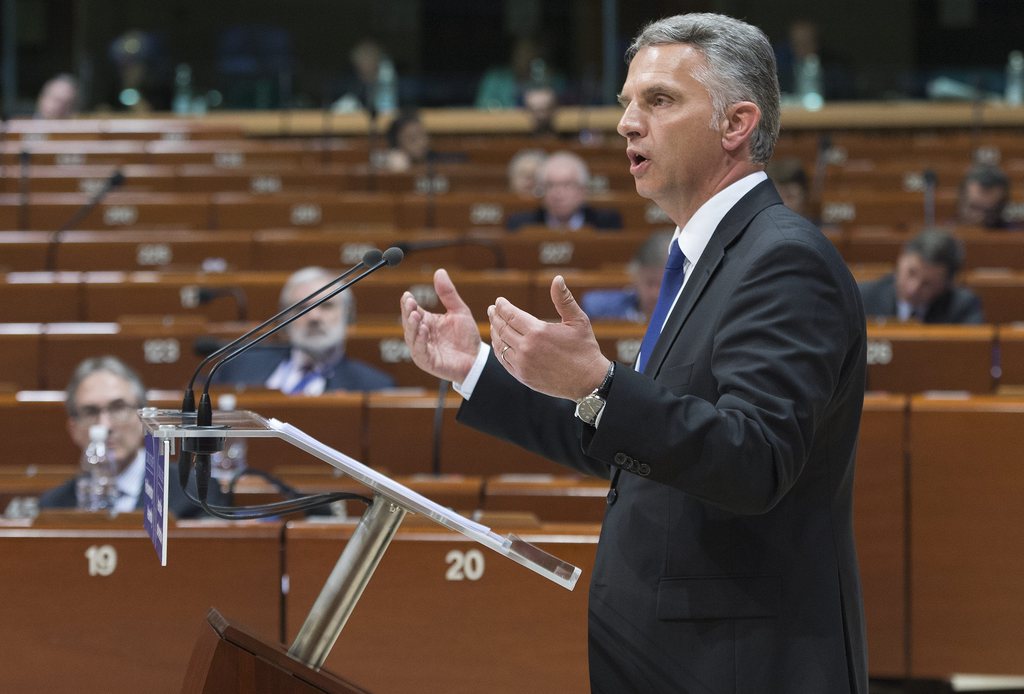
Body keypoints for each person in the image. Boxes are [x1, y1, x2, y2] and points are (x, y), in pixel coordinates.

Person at [401, 12, 867, 693]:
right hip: (672, 649)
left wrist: (601, 383)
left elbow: (756, 459)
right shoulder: (704, 255)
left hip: (741, 658)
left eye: (659, 100)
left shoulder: (781, 259)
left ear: (737, 124)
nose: (627, 122)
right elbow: (635, 450)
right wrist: (475, 368)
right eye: (627, 102)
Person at [38, 356, 223, 518]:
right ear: (74, 429)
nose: (105, 426)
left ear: (143, 419)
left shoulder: (194, 493)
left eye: (118, 408)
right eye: (90, 412)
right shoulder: (52, 506)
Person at [211, 267, 394, 394]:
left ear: (348, 316)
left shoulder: (374, 386)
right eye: (301, 308)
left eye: (327, 306)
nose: (314, 317)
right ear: (285, 318)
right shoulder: (238, 366)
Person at [859, 228, 983, 323]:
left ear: (946, 284)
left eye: (927, 284)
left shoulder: (963, 308)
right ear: (900, 259)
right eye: (911, 273)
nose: (913, 289)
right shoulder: (862, 299)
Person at [505, 150, 623, 231]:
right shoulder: (521, 225)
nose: (558, 194)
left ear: (583, 190)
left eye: (566, 185)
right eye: (550, 185)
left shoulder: (606, 223)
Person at [581, 229, 673, 322]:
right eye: (650, 283)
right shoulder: (599, 310)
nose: (655, 294)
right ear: (635, 276)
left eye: (664, 285)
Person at [956, 163, 1012, 229]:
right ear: (961, 200)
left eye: (989, 211)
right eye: (974, 207)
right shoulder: (946, 231)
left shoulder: (1016, 236)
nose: (980, 217)